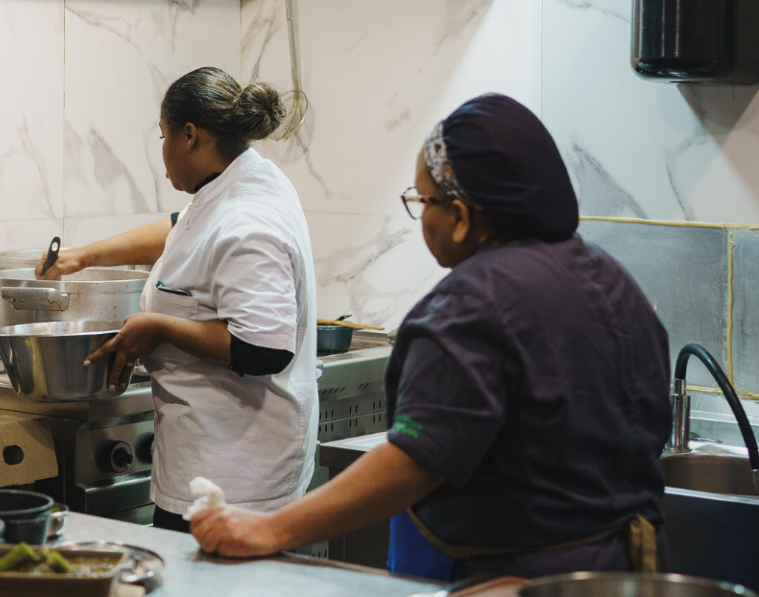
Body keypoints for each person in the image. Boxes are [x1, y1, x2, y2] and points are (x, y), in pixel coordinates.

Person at [188, 94, 673, 580]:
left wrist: (271, 529)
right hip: (623, 574)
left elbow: (415, 461)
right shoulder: (613, 282)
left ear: (460, 218)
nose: (421, 216)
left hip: (516, 578)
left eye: (421, 201)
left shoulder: (474, 304)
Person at [35, 67, 318, 533]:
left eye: (163, 135)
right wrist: (82, 257)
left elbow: (265, 349)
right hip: (207, 457)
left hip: (234, 481)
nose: (163, 150)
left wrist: (158, 327)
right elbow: (182, 226)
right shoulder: (238, 180)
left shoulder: (249, 222)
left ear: (190, 135)